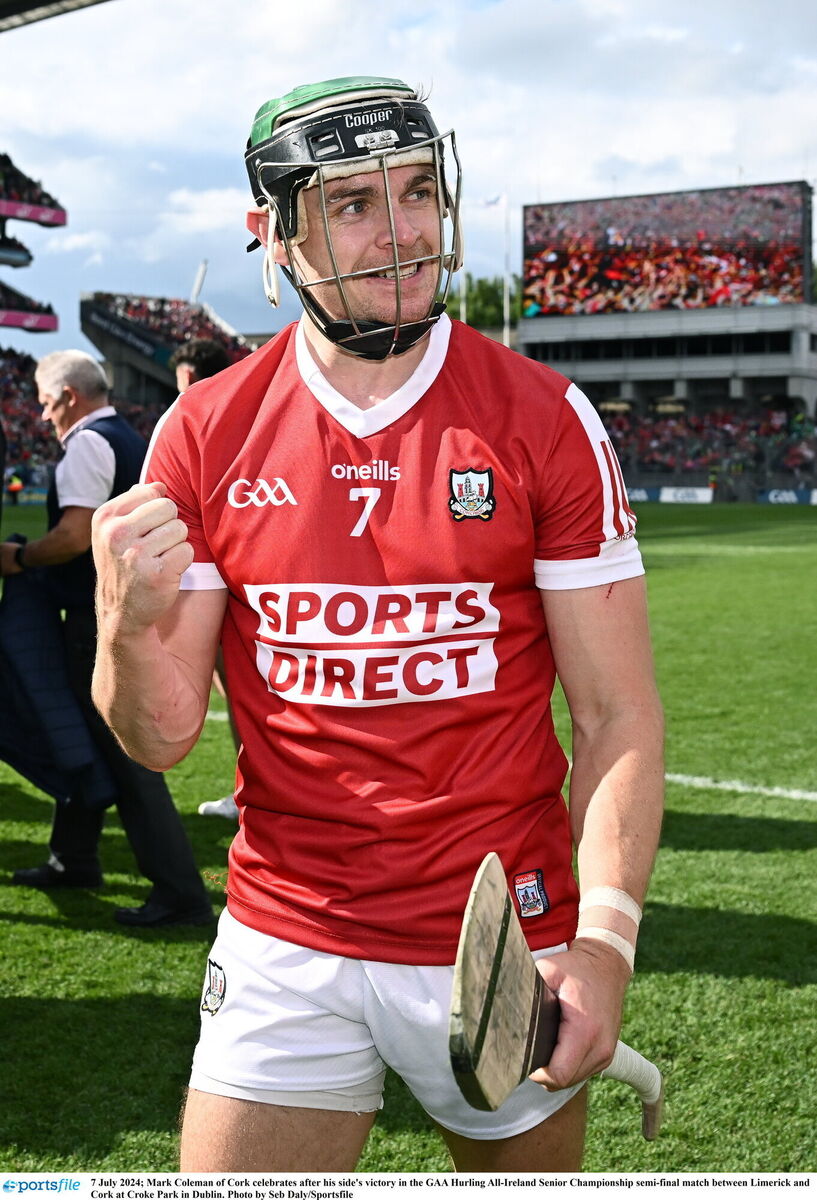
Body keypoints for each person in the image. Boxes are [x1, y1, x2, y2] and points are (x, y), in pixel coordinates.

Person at [90, 77, 664, 1170]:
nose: (402, 234)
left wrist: (603, 943)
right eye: (352, 204)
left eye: (416, 193)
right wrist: (125, 624)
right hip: (284, 933)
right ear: (273, 232)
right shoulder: (204, 432)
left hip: (502, 937)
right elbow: (160, 739)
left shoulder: (545, 418)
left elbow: (615, 713)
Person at [0, 349, 214, 928]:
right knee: (85, 740)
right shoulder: (124, 435)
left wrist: (19, 557)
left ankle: (178, 890)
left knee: (125, 759)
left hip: (97, 617)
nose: (42, 418)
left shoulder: (86, 444)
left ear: (69, 396)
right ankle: (74, 857)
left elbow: (73, 535)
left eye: (46, 403)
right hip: (118, 610)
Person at [168, 338, 240, 822]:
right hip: (249, 587)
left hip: (223, 587)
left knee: (244, 697)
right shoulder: (247, 411)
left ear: (190, 376)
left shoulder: (195, 421)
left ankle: (255, 794)